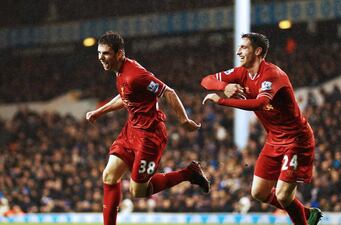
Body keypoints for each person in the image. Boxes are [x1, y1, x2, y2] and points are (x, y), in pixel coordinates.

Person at [86, 31, 210, 225]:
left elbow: (167, 91)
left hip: (150, 136)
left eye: (106, 53)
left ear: (119, 54)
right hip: (132, 130)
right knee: (109, 176)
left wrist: (184, 120)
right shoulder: (119, 72)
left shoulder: (136, 75)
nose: (101, 57)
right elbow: (125, 97)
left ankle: (189, 173)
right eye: (99, 53)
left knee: (138, 191)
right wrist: (99, 112)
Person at [201, 32, 322, 225]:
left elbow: (260, 103)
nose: (238, 51)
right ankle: (306, 214)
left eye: (244, 47)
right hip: (274, 139)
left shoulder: (272, 74)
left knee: (283, 195)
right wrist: (225, 85)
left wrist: (223, 100)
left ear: (257, 51)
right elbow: (206, 80)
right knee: (258, 192)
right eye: (239, 47)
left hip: (296, 140)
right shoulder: (241, 73)